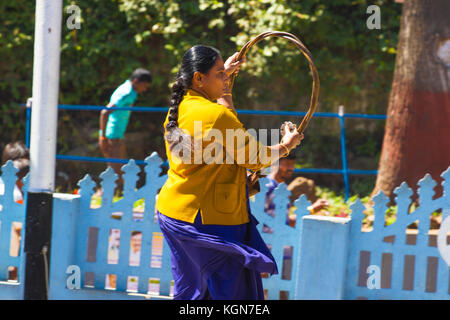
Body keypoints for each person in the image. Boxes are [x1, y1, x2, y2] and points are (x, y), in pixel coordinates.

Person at [155, 45, 303, 300]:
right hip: (209, 220)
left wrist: (226, 83)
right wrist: (286, 146)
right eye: (220, 73)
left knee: (194, 293)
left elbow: (226, 135)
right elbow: (255, 157)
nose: (225, 77)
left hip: (174, 213)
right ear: (199, 78)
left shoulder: (179, 108)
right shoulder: (215, 115)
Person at [98, 68, 152, 193]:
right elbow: (105, 112)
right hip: (112, 136)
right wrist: (103, 138)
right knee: (116, 173)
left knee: (120, 170)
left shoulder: (129, 90)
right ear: (136, 81)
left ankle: (114, 195)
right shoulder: (126, 93)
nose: (145, 89)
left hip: (116, 135)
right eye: (144, 85)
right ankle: (102, 195)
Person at [265, 152, 329, 227]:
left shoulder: (281, 187)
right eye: (287, 163)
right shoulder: (269, 188)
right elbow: (279, 224)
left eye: (292, 164)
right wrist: (312, 209)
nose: (291, 168)